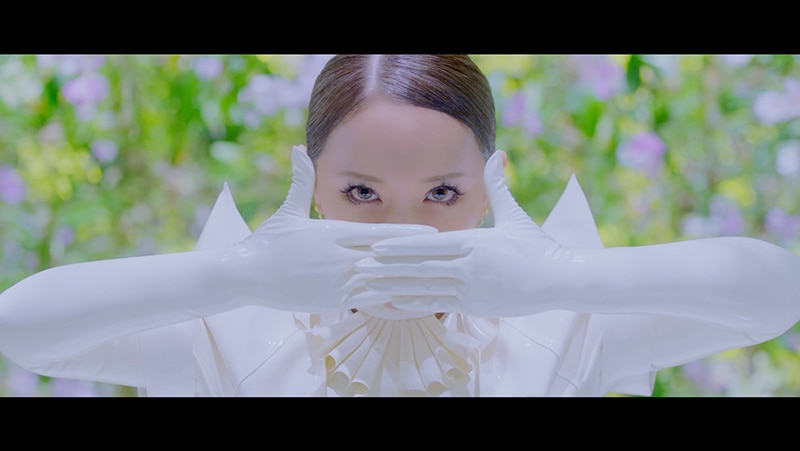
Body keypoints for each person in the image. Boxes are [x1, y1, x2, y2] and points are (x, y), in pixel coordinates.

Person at [0, 54, 799, 397]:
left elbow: (774, 295)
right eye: (362, 192)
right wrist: (235, 273)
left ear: (489, 186)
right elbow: (22, 329)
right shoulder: (236, 335)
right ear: (313, 186)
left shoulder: (556, 330)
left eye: (442, 194)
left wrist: (564, 278)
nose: (403, 231)